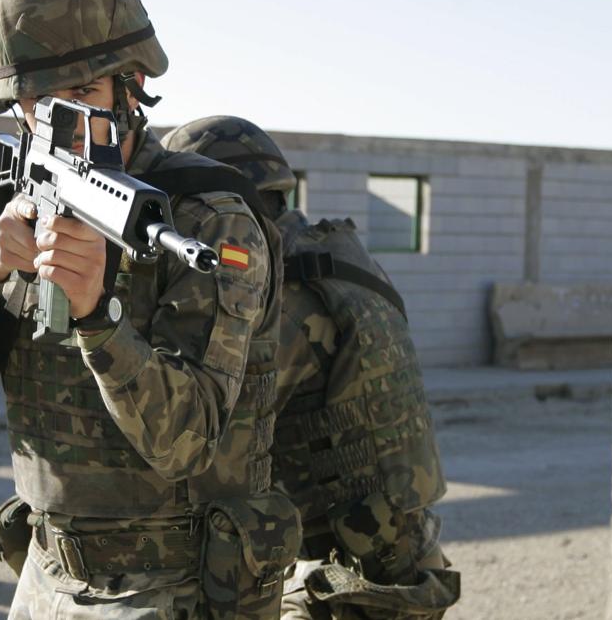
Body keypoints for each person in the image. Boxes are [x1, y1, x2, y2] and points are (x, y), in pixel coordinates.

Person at [0, 0, 298, 619]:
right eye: (38, 104)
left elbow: (188, 440)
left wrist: (98, 322)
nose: (60, 126)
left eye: (81, 97)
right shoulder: (26, 201)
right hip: (47, 572)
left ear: (129, 84)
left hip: (177, 583)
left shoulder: (206, 218)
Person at [160, 116, 461, 620]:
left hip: (355, 580)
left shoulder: (287, 297)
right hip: (391, 549)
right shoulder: (331, 258)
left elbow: (200, 438)